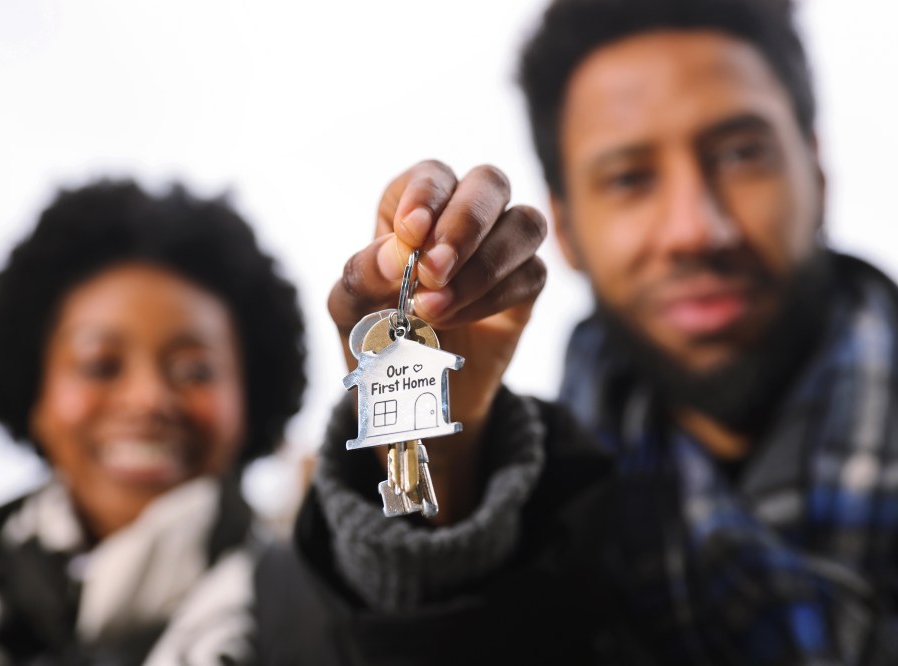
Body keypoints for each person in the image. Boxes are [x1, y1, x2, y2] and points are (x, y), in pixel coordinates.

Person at [297, 0, 898, 664]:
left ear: (816, 169)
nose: (696, 229)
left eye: (740, 154)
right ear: (566, 227)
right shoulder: (548, 518)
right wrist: (448, 460)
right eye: (629, 178)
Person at [0, 180, 307, 665]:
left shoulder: (317, 615)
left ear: (250, 397)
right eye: (101, 365)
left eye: (194, 370)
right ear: (35, 391)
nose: (148, 399)